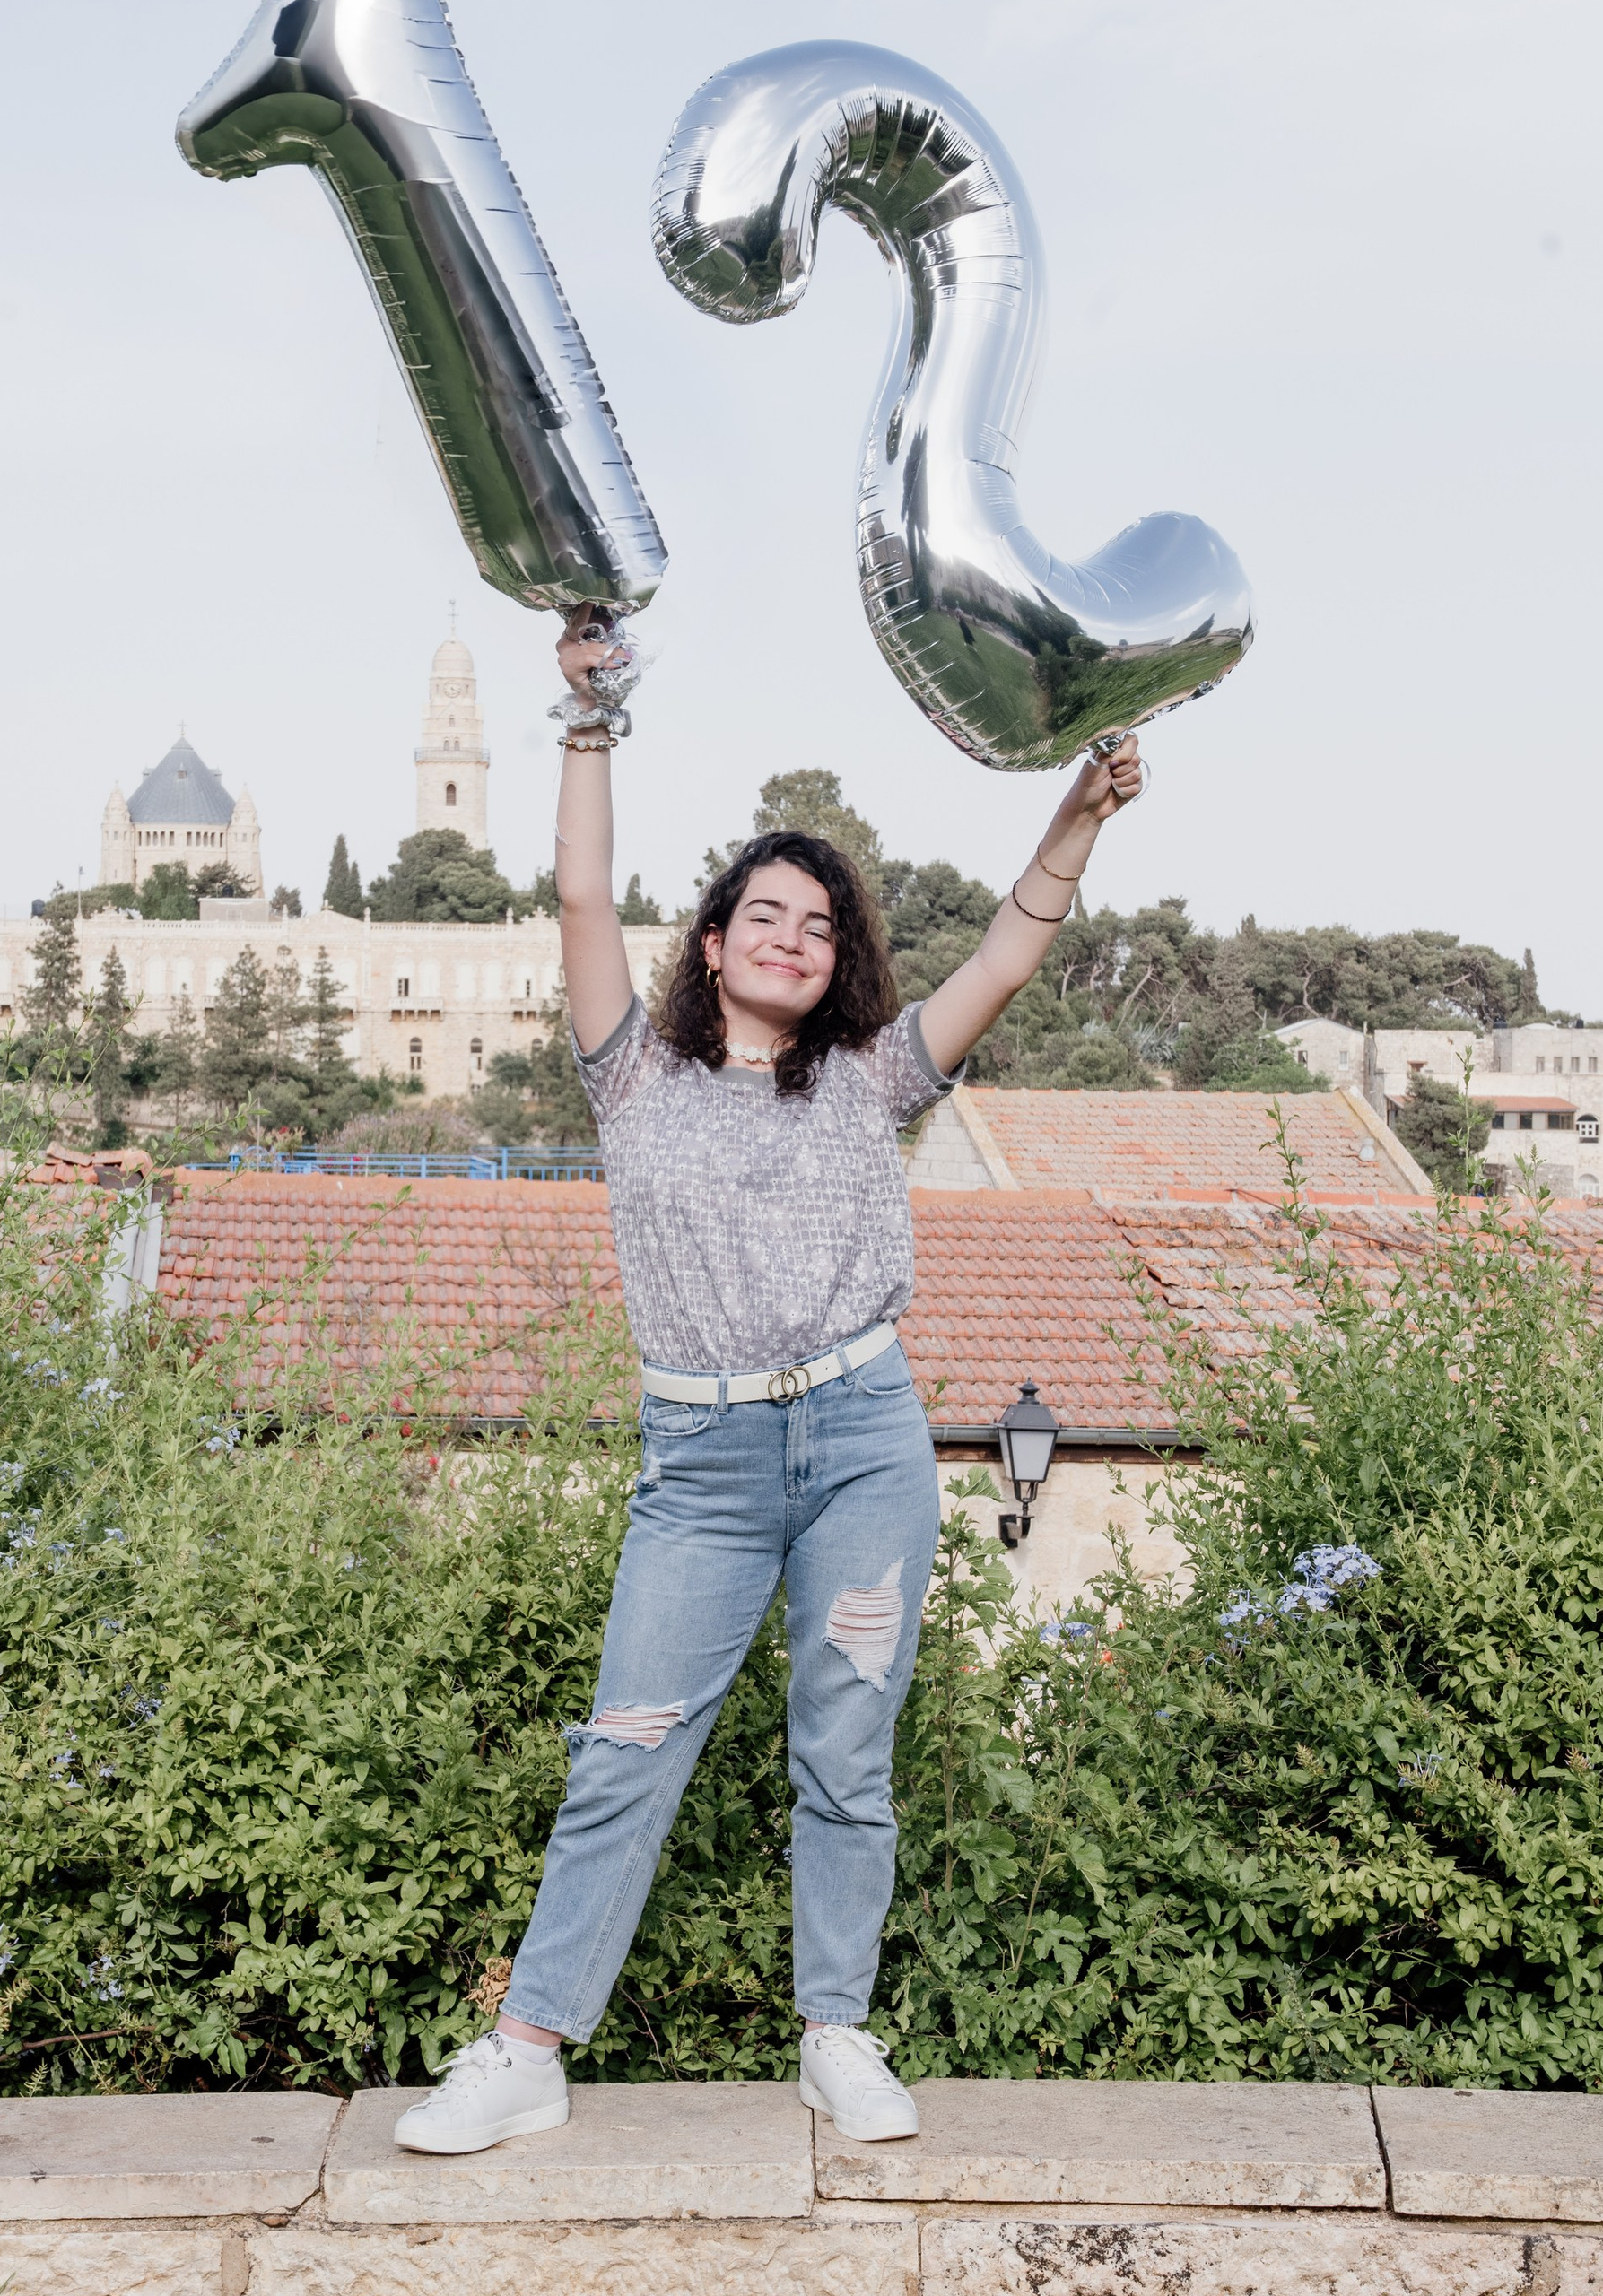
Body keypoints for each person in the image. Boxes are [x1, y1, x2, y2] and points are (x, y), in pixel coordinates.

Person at [394, 613, 1144, 2154]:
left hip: (865, 1441)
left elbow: (1008, 953)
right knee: (628, 1745)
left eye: (821, 924)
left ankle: (836, 2034)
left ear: (839, 958)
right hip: (705, 1463)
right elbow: (581, 889)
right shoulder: (633, 1077)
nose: (795, 938)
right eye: (766, 915)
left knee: (846, 1754)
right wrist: (588, 719)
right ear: (715, 943)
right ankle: (527, 2051)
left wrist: (1075, 817)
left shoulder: (876, 1078)